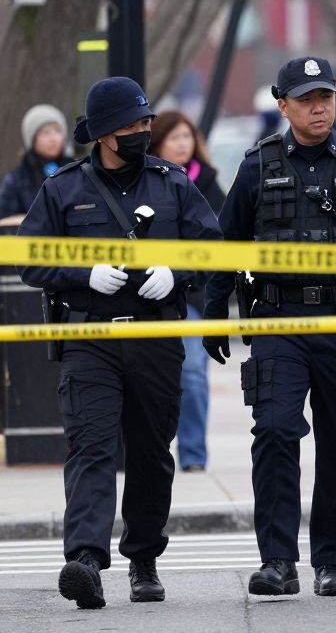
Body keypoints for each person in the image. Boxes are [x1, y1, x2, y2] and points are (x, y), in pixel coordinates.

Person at [202, 57, 336, 598]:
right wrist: (213, 310)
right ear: (283, 105)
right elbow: (224, 243)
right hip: (280, 319)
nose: (319, 106)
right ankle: (277, 560)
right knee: (275, 430)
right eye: (306, 99)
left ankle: (331, 560)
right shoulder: (257, 165)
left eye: (326, 96)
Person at [17, 77, 223, 609]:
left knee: (152, 453)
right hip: (91, 336)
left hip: (155, 335)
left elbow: (212, 248)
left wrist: (176, 273)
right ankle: (84, 559)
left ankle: (144, 559)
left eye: (146, 123)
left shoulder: (172, 183)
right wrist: (83, 272)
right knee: (91, 446)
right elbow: (30, 258)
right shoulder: (62, 189)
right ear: (105, 133)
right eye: (133, 125)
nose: (143, 132)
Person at [149, 111, 226, 472]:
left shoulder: (209, 184)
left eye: (187, 136)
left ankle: (193, 454)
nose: (182, 144)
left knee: (193, 373)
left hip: (193, 295)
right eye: (174, 137)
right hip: (145, 294)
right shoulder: (145, 182)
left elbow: (223, 243)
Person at [0, 104, 73, 219]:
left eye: (58, 131)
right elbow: (4, 222)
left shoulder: (76, 172)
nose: (53, 139)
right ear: (32, 139)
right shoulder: (15, 180)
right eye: (46, 132)